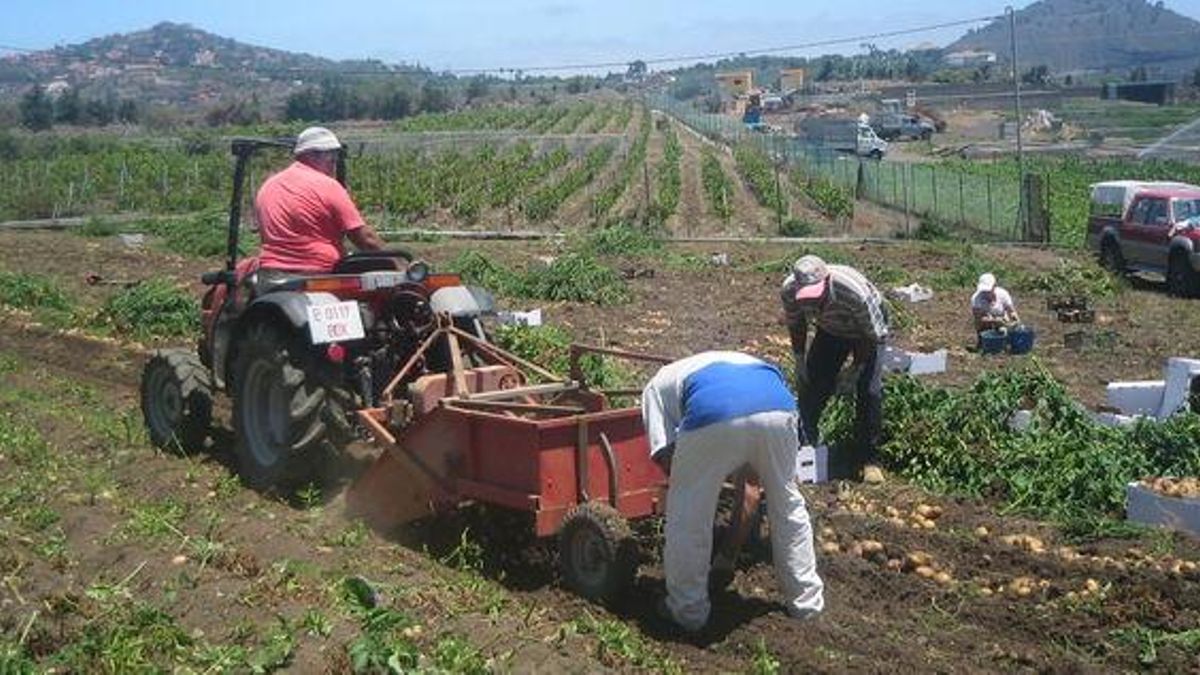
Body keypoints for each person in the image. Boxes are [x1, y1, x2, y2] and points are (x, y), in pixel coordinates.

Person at [641, 351, 825, 633]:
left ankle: (687, 610)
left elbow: (666, 456)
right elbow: (751, 476)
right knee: (787, 503)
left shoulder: (653, 388)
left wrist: (700, 484)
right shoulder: (732, 362)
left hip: (714, 411)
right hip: (779, 405)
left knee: (688, 512)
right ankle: (807, 604)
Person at [780, 255, 889, 484]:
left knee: (869, 391)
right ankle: (804, 448)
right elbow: (797, 323)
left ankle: (870, 459)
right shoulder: (790, 291)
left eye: (815, 297)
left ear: (827, 281)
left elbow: (870, 335)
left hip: (866, 330)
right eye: (806, 299)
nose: (811, 304)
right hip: (830, 328)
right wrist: (799, 359)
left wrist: (855, 369)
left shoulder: (854, 293)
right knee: (812, 386)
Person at [254, 126, 386, 274]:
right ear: (313, 155)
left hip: (272, 272)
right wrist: (399, 264)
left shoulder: (268, 186)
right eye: (331, 158)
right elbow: (366, 240)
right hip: (320, 272)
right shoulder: (328, 185)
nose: (333, 164)